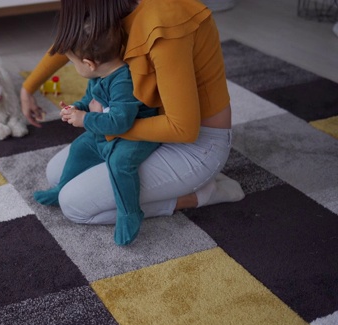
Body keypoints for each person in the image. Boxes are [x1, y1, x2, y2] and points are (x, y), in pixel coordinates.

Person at [21, 0, 245, 229]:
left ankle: (200, 195)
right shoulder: (116, 9)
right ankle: (176, 185)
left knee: (73, 204)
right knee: (56, 174)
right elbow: (74, 44)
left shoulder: (164, 22)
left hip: (196, 145)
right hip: (149, 129)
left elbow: (183, 128)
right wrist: (28, 87)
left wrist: (101, 123)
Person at [33, 19, 158, 245]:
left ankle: (129, 212)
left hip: (136, 133)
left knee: (119, 163)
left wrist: (86, 118)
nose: (74, 68)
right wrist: (77, 109)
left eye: (73, 63)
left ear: (89, 63)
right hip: (108, 128)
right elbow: (91, 100)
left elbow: (121, 122)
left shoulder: (123, 80)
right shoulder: (98, 75)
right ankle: (62, 187)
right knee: (81, 147)